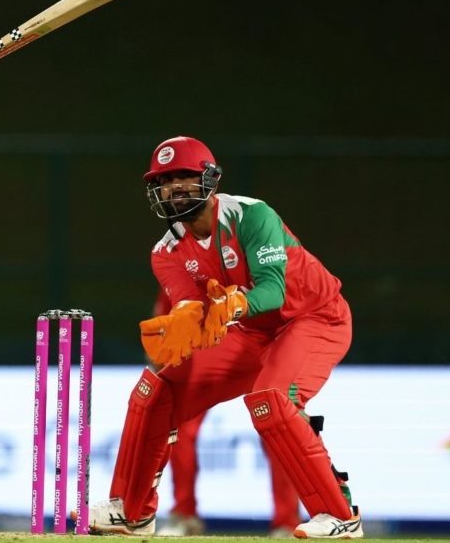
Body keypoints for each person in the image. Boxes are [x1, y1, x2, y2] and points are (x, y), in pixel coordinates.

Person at [87, 136, 362, 539]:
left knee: (271, 398)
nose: (174, 187)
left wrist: (232, 306)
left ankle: (340, 515)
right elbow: (191, 306)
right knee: (156, 390)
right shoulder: (165, 252)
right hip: (253, 332)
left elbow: (273, 291)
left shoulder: (251, 216)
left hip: (314, 317)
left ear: (210, 180)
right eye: (164, 180)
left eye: (184, 176)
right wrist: (186, 319)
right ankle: (132, 512)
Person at [149, 288, 302, 538]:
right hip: (206, 354)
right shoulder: (189, 255)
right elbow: (168, 308)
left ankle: (287, 522)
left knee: (278, 430)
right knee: (180, 428)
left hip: (261, 351)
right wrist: (162, 359)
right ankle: (184, 514)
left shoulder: (259, 254)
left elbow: (287, 302)